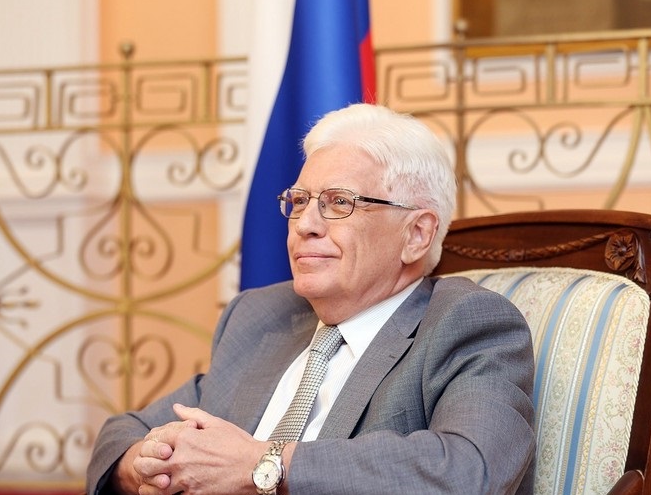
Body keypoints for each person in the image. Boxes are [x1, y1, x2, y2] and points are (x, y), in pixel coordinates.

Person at [86, 103, 535, 494]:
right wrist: (146, 463)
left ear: (417, 234)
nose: (305, 225)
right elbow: (122, 433)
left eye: (339, 203)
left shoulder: (466, 322)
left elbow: (468, 470)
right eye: (299, 201)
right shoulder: (262, 316)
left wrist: (263, 465)